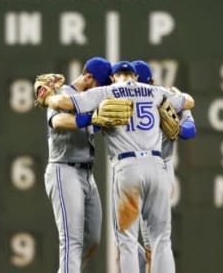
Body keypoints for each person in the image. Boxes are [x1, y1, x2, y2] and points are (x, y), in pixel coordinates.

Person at [45, 61, 194, 273]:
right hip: (157, 166)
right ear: (134, 76)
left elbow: (65, 104)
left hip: (128, 168)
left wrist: (48, 97)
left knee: (127, 241)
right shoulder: (154, 92)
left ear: (115, 77)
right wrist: (180, 99)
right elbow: (188, 102)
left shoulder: (108, 91)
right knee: (162, 239)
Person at [43, 57, 111, 273]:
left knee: (92, 238)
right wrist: (91, 118)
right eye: (101, 84)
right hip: (64, 170)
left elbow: (93, 127)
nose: (102, 90)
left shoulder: (88, 99)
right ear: (89, 77)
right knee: (72, 241)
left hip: (86, 174)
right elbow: (58, 122)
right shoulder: (62, 94)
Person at [131, 60, 197, 273]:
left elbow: (189, 130)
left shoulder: (123, 97)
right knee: (153, 241)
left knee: (146, 240)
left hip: (146, 169)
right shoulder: (167, 97)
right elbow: (188, 130)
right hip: (154, 170)